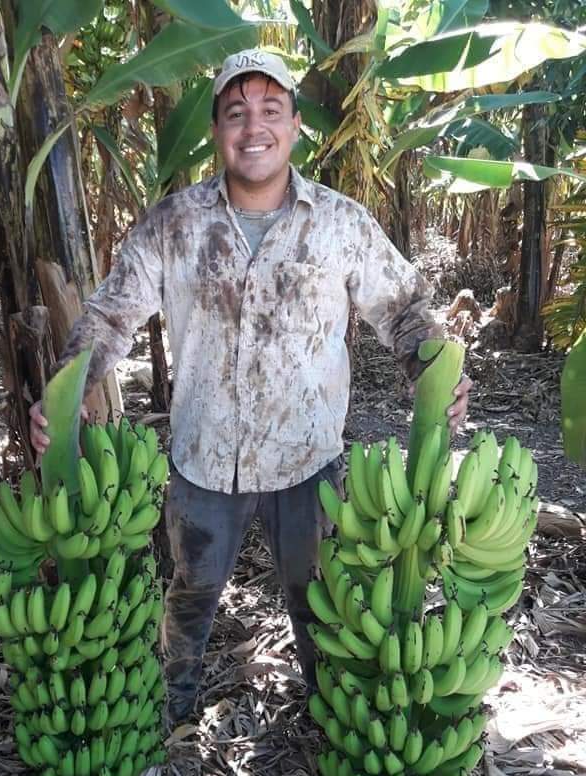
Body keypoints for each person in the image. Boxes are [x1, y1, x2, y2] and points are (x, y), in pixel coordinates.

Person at [30, 49, 473, 724]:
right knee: (190, 596)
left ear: (295, 125)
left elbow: (404, 310)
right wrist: (63, 396)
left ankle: (330, 721)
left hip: (307, 458)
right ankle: (171, 713)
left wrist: (435, 375)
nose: (254, 126)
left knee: (320, 604)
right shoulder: (174, 225)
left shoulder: (340, 222)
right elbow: (110, 317)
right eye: (236, 113)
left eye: (271, 110)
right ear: (216, 129)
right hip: (206, 459)